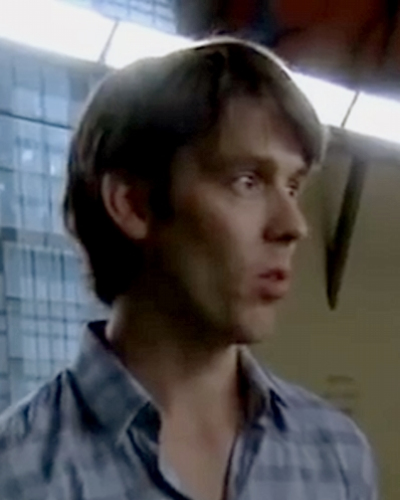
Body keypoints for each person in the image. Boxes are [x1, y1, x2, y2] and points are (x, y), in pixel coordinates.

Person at [0, 37, 378, 500]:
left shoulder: (335, 455)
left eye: (293, 186)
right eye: (247, 181)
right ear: (134, 205)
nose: (293, 225)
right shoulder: (17, 474)